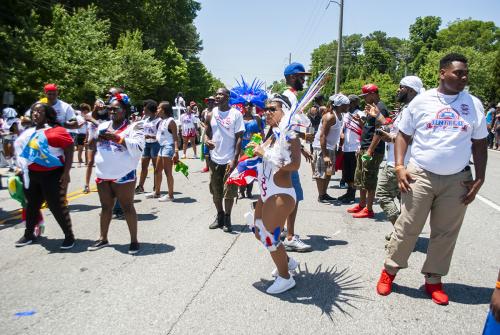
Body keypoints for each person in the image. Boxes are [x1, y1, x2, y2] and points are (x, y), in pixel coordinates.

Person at [376, 53, 488, 305]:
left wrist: (479, 178)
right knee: (408, 227)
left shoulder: (473, 104)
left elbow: (480, 144)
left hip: (457, 180)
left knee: (445, 233)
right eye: (458, 73)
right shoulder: (422, 102)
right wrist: (399, 166)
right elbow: (403, 134)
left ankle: (434, 279)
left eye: (465, 73)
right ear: (442, 73)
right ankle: (390, 271)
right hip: (421, 176)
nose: (464, 77)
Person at [248, 95, 301, 294]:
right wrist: (256, 151)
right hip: (265, 190)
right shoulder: (273, 133)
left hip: (281, 194)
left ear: (285, 112)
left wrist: (265, 154)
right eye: (266, 109)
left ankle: (286, 278)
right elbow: (266, 156)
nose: (267, 112)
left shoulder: (290, 135)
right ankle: (288, 261)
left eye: (272, 109)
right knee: (258, 231)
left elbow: (295, 164)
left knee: (270, 236)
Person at [87, 92, 144, 254]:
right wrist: (96, 138)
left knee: (127, 207)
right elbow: (91, 145)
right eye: (110, 109)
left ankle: (134, 241)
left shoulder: (135, 127)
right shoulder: (103, 126)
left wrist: (117, 138)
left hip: (124, 175)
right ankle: (103, 238)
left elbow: (139, 147)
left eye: (116, 109)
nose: (111, 112)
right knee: (106, 208)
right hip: (103, 175)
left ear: (124, 110)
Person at [14, 102, 75, 249]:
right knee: (31, 206)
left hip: (52, 174)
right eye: (34, 111)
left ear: (47, 115)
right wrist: (20, 167)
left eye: (39, 111)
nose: (35, 114)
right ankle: (29, 234)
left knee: (56, 206)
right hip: (32, 175)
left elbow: (69, 149)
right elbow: (22, 152)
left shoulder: (57, 130)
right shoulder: (28, 132)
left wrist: (66, 173)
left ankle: (69, 236)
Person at [375, 76, 423, 228]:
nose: (398, 90)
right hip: (397, 161)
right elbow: (399, 132)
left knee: (382, 196)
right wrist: (387, 132)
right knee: (404, 201)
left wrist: (390, 138)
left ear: (410, 89)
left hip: (399, 162)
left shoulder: (414, 109)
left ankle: (401, 231)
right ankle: (404, 233)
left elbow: (411, 138)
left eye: (401, 86)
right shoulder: (408, 108)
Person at [281, 62, 313, 252]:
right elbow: (286, 127)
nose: (304, 80)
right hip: (286, 154)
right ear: (293, 77)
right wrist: (302, 138)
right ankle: (291, 237)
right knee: (294, 196)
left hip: (286, 152)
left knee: (286, 194)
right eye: (302, 77)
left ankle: (285, 230)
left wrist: (301, 146)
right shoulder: (289, 97)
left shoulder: (286, 96)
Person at [204, 88, 244, 233]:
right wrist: (207, 140)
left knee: (229, 191)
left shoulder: (236, 114)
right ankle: (219, 216)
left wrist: (235, 159)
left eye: (221, 94)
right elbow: (206, 133)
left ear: (227, 97)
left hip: (229, 159)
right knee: (215, 190)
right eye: (216, 94)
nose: (217, 96)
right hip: (214, 158)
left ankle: (227, 218)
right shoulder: (210, 113)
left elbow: (239, 137)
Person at [347, 84, 389, 219]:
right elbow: (369, 127)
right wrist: (361, 122)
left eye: (366, 96)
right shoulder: (373, 107)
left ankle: (369, 209)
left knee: (369, 179)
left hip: (373, 150)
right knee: (361, 178)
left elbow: (380, 130)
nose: (364, 98)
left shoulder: (380, 107)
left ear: (373, 94)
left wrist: (370, 150)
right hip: (365, 147)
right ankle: (362, 204)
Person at [312, 94, 350, 203]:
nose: (348, 106)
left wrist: (339, 146)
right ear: (340, 105)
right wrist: (325, 155)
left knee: (329, 172)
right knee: (321, 173)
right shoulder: (330, 117)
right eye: (346, 104)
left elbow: (338, 133)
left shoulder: (340, 115)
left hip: (332, 147)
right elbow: (322, 136)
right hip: (322, 148)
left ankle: (324, 193)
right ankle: (321, 195)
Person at [146, 101, 179, 201]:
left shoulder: (171, 121)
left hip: (168, 147)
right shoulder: (161, 121)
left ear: (164, 110)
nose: (157, 110)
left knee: (167, 172)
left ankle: (170, 195)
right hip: (161, 147)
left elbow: (175, 137)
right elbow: (162, 135)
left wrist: (176, 151)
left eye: (159, 108)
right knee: (157, 170)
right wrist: (150, 136)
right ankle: (157, 193)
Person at [337, 95, 365, 203]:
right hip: (346, 147)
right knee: (347, 172)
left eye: (349, 102)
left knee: (354, 172)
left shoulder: (361, 114)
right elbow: (342, 128)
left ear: (354, 103)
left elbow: (364, 128)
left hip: (356, 147)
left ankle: (352, 194)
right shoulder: (346, 114)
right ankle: (349, 192)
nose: (348, 105)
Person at [83, 99, 109, 194]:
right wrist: (86, 139)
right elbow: (88, 128)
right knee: (90, 162)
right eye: (96, 104)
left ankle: (104, 182)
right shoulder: (90, 114)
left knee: (103, 162)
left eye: (100, 104)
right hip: (91, 142)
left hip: (102, 142)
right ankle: (86, 185)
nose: (99, 106)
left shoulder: (105, 114)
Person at [136, 99, 161, 194]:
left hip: (155, 144)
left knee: (156, 167)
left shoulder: (158, 121)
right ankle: (140, 186)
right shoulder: (145, 120)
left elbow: (161, 135)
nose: (143, 110)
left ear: (150, 109)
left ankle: (156, 186)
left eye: (145, 109)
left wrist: (151, 136)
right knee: (143, 166)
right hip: (146, 144)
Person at [200, 96, 216, 173]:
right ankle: (207, 166)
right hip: (207, 133)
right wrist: (205, 125)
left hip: (215, 133)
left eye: (212, 101)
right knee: (206, 152)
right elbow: (201, 121)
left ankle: (215, 166)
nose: (210, 103)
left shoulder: (217, 111)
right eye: (209, 101)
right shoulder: (204, 112)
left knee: (215, 149)